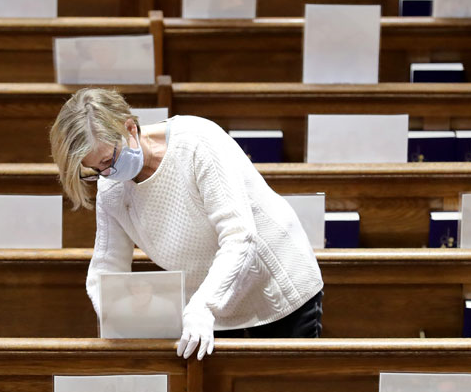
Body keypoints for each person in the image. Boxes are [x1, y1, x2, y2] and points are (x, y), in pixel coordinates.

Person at [49, 87, 324, 359]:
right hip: (210, 305)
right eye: (95, 170)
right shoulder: (111, 187)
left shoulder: (196, 144)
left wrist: (203, 305)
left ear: (130, 128)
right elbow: (106, 267)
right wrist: (118, 318)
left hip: (276, 288)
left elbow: (239, 236)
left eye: (109, 160)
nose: (107, 173)